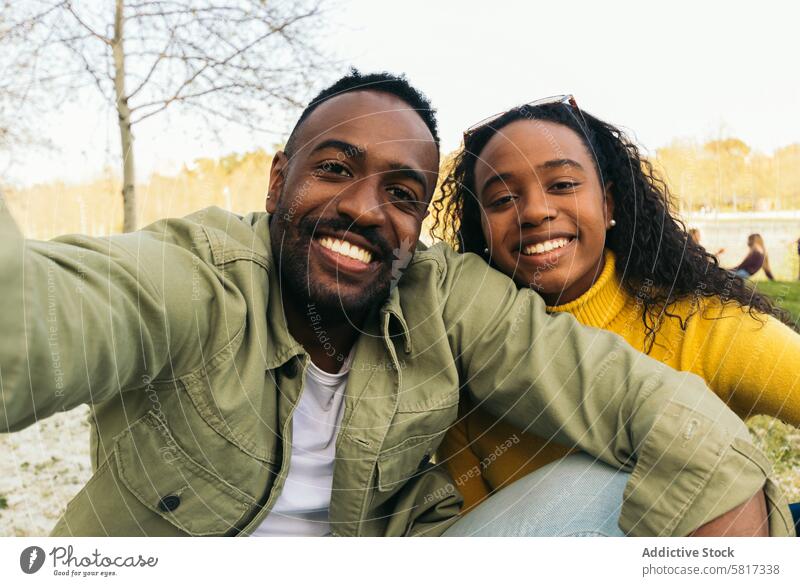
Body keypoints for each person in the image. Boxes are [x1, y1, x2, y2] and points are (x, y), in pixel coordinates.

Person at [0, 75, 793, 538]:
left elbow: (636, 397)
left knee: (661, 466)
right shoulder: (198, 276)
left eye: (403, 193)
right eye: (336, 168)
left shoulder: (442, 295)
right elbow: (49, 312)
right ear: (278, 180)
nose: (366, 210)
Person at [431, 96, 800, 534]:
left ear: (609, 205)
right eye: (502, 198)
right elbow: (480, 529)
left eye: (563, 184)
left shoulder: (702, 325)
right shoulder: (464, 352)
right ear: (481, 229)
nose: (533, 211)